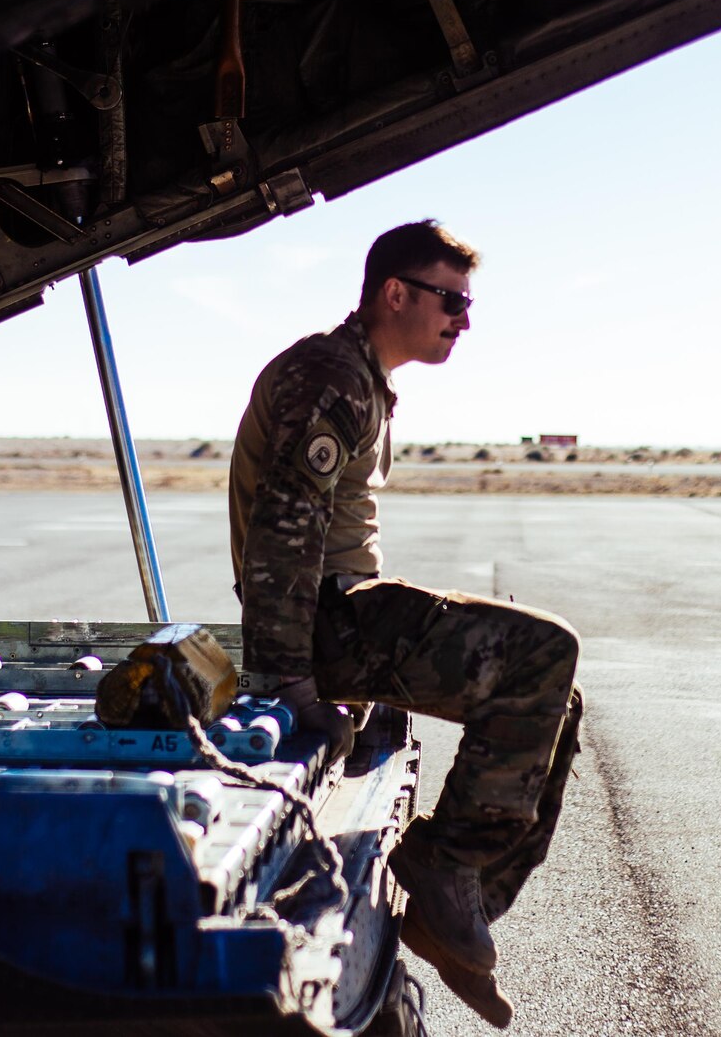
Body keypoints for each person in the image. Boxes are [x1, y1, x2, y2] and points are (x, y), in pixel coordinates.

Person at [230, 220, 584, 1029]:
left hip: (340, 611)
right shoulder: (332, 377)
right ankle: (444, 866)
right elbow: (282, 544)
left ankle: (461, 905)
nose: (463, 318)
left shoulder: (360, 378)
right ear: (396, 293)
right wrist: (290, 684)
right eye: (451, 299)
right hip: (325, 621)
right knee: (544, 651)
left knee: (556, 694)